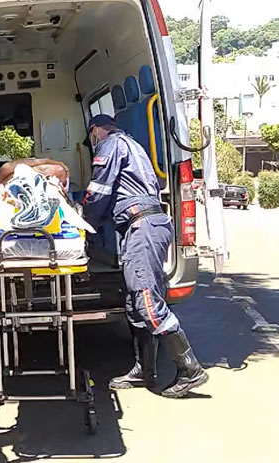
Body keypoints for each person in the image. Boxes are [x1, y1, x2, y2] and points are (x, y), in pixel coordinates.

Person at [82, 114, 208, 399]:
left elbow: (99, 191)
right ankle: (145, 370)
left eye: (90, 137)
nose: (91, 143)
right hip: (145, 226)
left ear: (96, 131)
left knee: (147, 301)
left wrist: (83, 221)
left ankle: (191, 370)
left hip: (143, 228)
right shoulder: (134, 145)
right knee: (134, 303)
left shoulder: (110, 144)